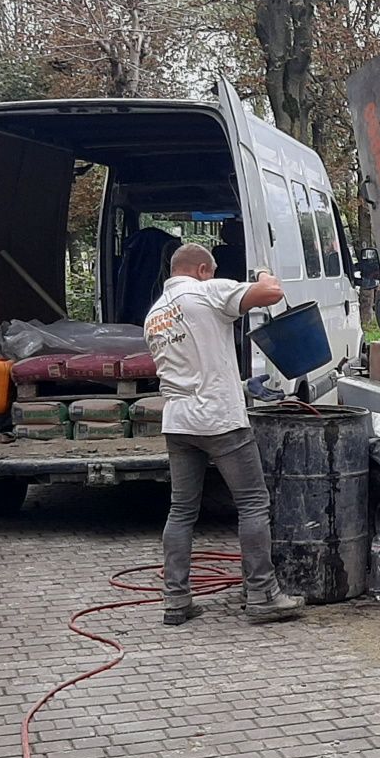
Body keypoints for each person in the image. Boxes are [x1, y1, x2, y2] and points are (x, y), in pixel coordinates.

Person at [144, 243, 305, 626]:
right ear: (202, 269)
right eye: (212, 272)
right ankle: (263, 594)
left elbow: (194, 362)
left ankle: (176, 601)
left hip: (179, 421)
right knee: (252, 503)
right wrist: (264, 273)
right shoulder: (206, 292)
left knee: (182, 510)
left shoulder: (154, 314)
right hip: (219, 420)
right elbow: (271, 294)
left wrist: (243, 383)